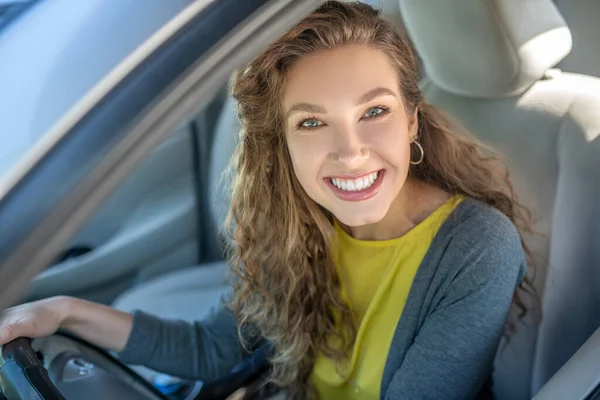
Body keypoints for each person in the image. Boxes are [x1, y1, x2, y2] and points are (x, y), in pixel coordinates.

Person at [0, 2, 537, 399]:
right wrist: (61, 311)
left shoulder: (477, 248)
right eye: (311, 122)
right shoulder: (295, 224)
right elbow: (209, 350)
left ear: (412, 120)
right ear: (281, 145)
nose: (351, 153)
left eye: (374, 112)